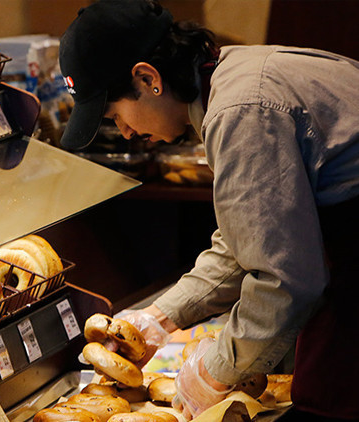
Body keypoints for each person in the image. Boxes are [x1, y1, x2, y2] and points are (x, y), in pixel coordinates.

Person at [58, 0, 359, 420]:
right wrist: (161, 316)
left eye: (115, 114)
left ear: (148, 78)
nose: (125, 131)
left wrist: (215, 372)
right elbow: (249, 239)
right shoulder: (232, 75)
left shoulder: (240, 112)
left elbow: (285, 280)